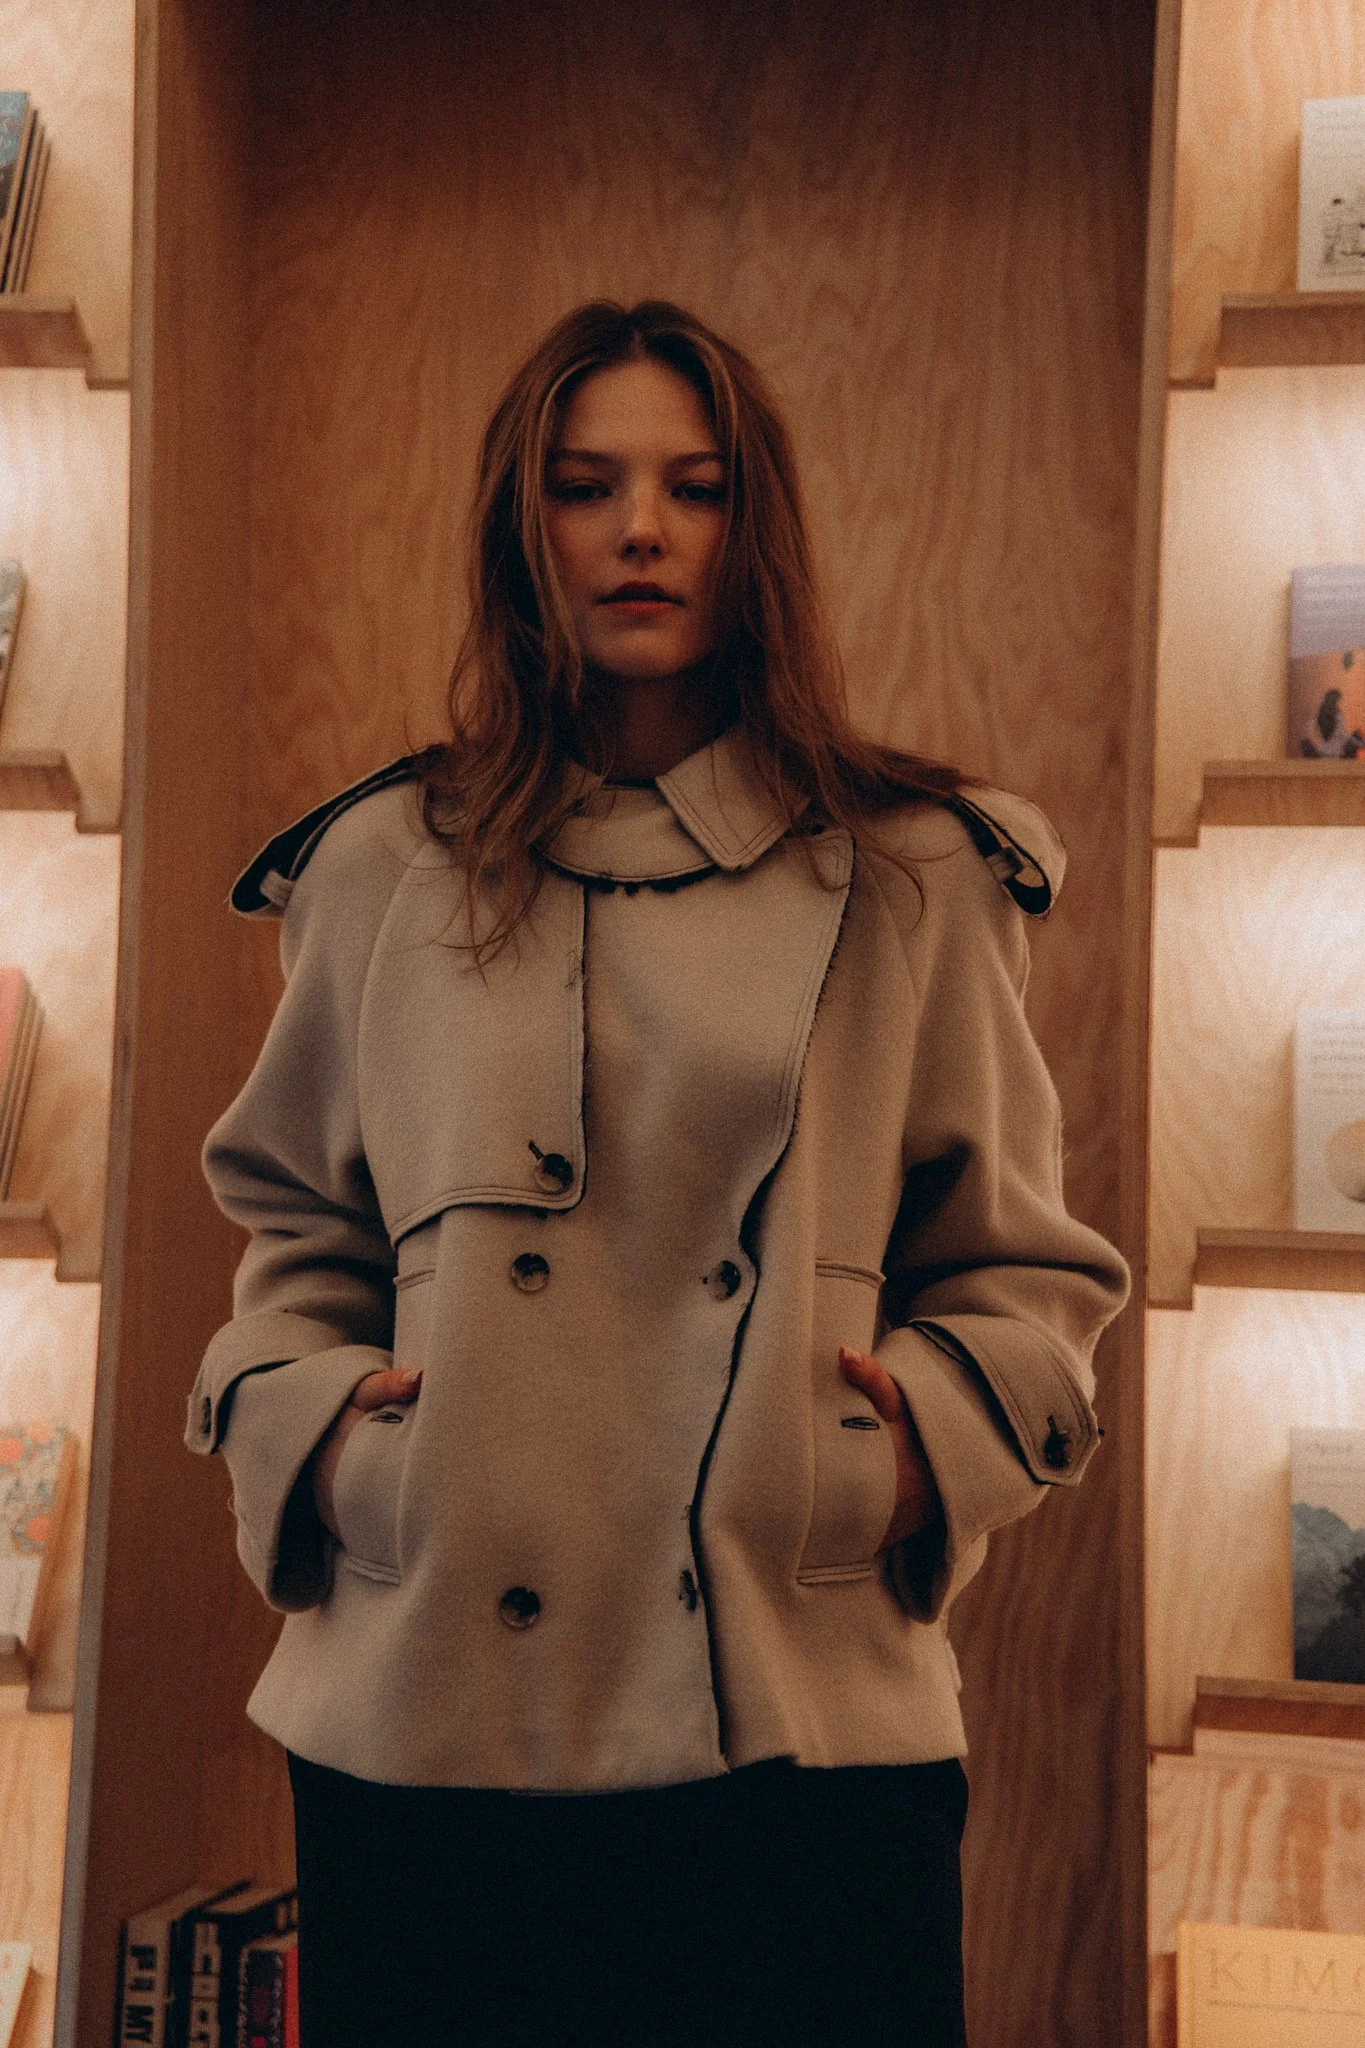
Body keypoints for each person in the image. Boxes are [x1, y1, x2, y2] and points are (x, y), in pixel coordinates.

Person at [187, 299, 1129, 2048]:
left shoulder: (914, 872)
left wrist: (894, 1457)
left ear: (749, 526)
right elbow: (295, 1228)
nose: (638, 531)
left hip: (798, 1726)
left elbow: (1021, 1273)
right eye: (585, 485)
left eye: (691, 489)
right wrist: (323, 1437)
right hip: (431, 1724)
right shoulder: (383, 864)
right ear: (518, 524)